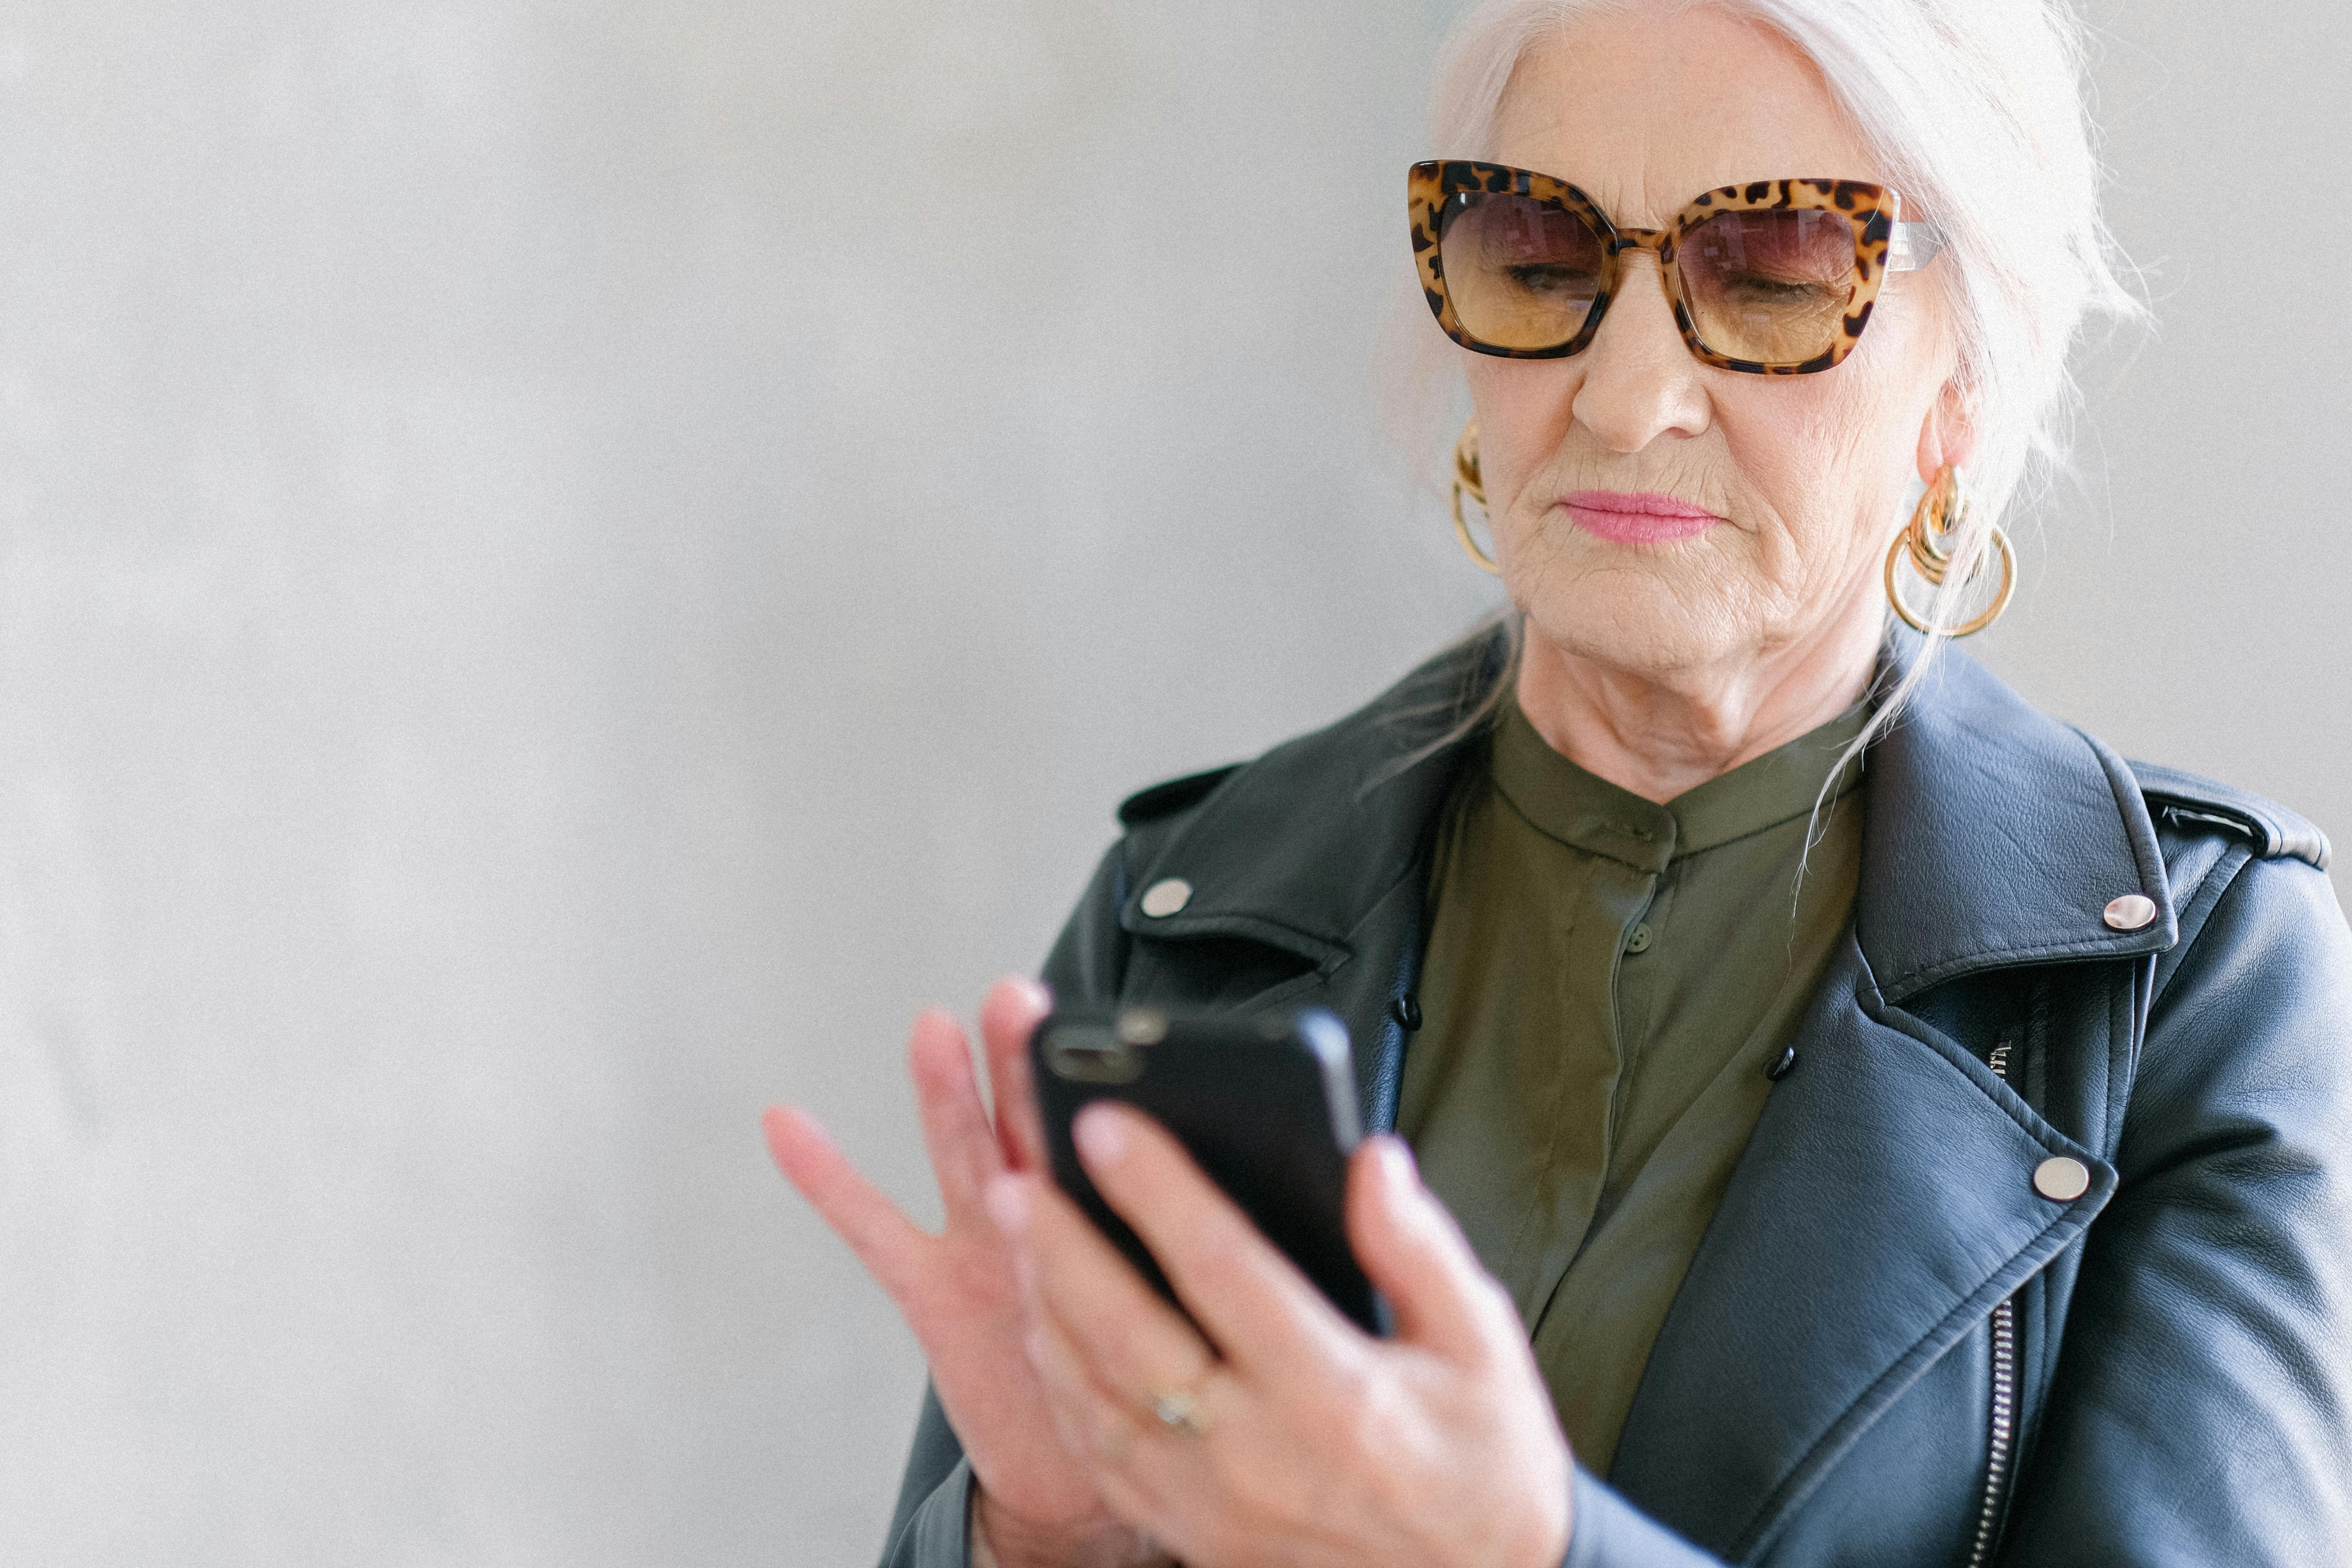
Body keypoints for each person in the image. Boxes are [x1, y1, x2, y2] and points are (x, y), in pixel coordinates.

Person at [766, 1, 2352, 1563]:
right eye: (1540, 252)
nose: (1622, 393)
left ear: (1966, 382)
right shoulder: (1190, 907)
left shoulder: (2199, 983)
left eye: (1780, 266)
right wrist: (1047, 1534)